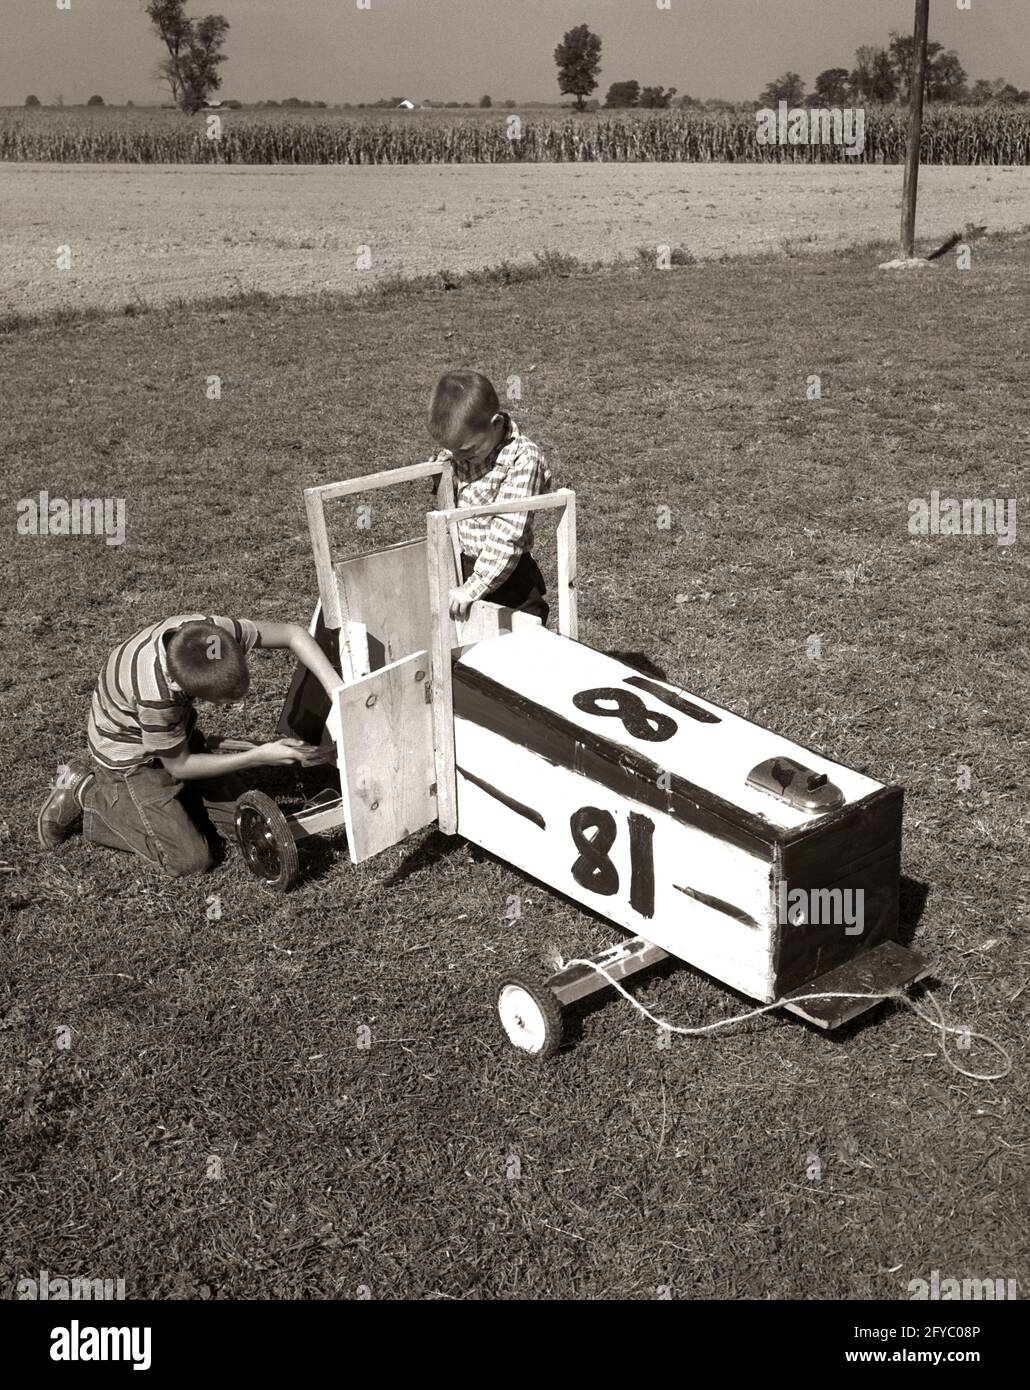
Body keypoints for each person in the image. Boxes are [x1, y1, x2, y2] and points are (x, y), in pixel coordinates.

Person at [37, 614, 340, 879]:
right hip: (132, 757)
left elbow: (293, 635)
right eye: (223, 701)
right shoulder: (156, 694)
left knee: (245, 825)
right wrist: (258, 755)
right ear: (180, 687)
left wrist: (338, 692)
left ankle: (179, 804)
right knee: (190, 859)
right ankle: (86, 793)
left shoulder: (213, 633)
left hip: (176, 734)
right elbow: (178, 765)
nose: (237, 704)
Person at [428, 369, 552, 622]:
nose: (459, 459)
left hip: (509, 576)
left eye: (467, 451)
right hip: (465, 566)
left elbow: (508, 533)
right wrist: (441, 476)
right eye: (453, 451)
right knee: (471, 650)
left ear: (495, 424)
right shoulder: (467, 449)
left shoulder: (523, 460)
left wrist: (474, 587)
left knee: (520, 643)